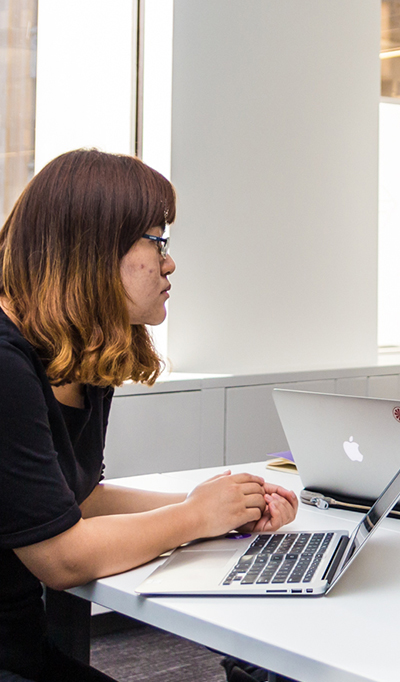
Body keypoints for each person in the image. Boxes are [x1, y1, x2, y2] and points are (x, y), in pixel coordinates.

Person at [0, 150, 299, 681]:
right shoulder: (6, 363)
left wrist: (223, 507)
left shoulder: (80, 350)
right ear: (91, 249)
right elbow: (63, 558)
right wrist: (196, 517)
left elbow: (81, 499)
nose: (169, 263)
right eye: (157, 241)